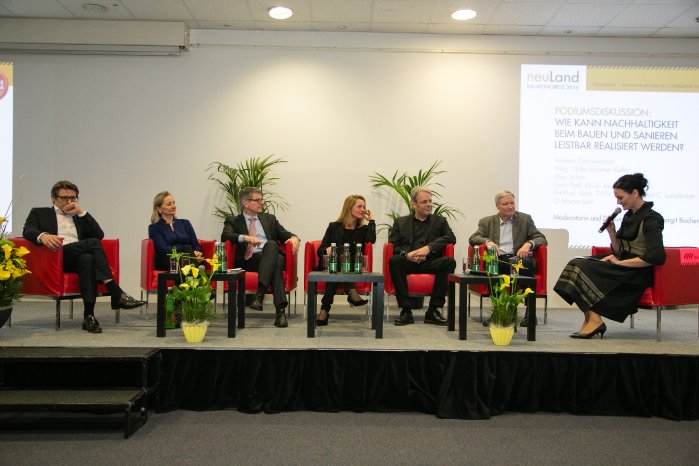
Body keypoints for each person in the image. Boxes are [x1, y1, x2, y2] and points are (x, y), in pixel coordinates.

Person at [22, 180, 145, 333]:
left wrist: (82, 212)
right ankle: (115, 292)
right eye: (64, 198)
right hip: (56, 257)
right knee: (92, 244)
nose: (68, 202)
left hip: (76, 258)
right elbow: (27, 230)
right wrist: (42, 236)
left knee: (87, 259)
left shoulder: (79, 217)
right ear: (53, 198)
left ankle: (89, 316)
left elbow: (99, 235)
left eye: (73, 198)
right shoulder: (40, 213)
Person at [554, 173, 665, 339]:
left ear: (635, 193)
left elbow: (655, 257)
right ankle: (593, 318)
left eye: (620, 197)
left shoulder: (652, 218)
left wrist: (619, 263)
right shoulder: (629, 216)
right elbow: (619, 252)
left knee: (582, 267)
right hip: (624, 264)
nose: (618, 202)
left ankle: (594, 320)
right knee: (576, 263)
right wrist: (612, 232)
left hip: (637, 272)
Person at [220, 187, 300, 328]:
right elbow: (225, 236)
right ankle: (280, 312)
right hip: (249, 260)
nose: (262, 203)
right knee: (277, 260)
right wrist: (245, 237)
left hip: (269, 255)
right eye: (258, 200)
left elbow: (285, 234)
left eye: (262, 200)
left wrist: (294, 238)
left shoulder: (269, 219)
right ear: (246, 203)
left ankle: (260, 296)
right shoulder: (233, 220)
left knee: (272, 249)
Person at [469, 190, 547, 327]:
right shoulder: (486, 222)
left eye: (512, 203)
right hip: (500, 259)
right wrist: (488, 242)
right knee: (494, 266)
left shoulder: (525, 219)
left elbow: (541, 238)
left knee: (524, 265)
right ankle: (499, 311)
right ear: (497, 206)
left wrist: (529, 244)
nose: (510, 206)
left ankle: (530, 313)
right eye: (506, 204)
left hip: (519, 258)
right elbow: (473, 238)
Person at [388, 186, 456, 326]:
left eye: (430, 201)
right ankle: (406, 311)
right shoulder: (400, 222)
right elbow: (393, 246)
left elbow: (451, 237)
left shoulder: (440, 221)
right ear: (414, 204)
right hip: (408, 263)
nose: (429, 205)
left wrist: (428, 248)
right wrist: (407, 255)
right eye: (424, 202)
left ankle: (433, 310)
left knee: (449, 262)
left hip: (430, 262)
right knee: (395, 260)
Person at [315, 195, 376, 327]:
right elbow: (320, 249)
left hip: (353, 266)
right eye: (359, 206)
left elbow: (371, 240)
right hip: (332, 264)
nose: (363, 209)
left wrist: (371, 221)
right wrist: (328, 250)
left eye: (364, 206)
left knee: (339, 267)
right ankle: (351, 290)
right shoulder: (333, 226)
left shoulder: (363, 229)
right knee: (341, 251)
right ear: (349, 208)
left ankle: (324, 310)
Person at [148, 191, 203, 271]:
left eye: (174, 203)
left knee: (187, 258)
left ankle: (192, 280)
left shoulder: (185, 223)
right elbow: (164, 249)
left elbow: (196, 244)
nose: (173, 206)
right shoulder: (154, 228)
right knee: (187, 251)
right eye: (169, 204)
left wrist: (196, 252)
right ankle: (198, 280)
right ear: (159, 208)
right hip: (167, 261)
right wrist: (188, 252)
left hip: (188, 258)